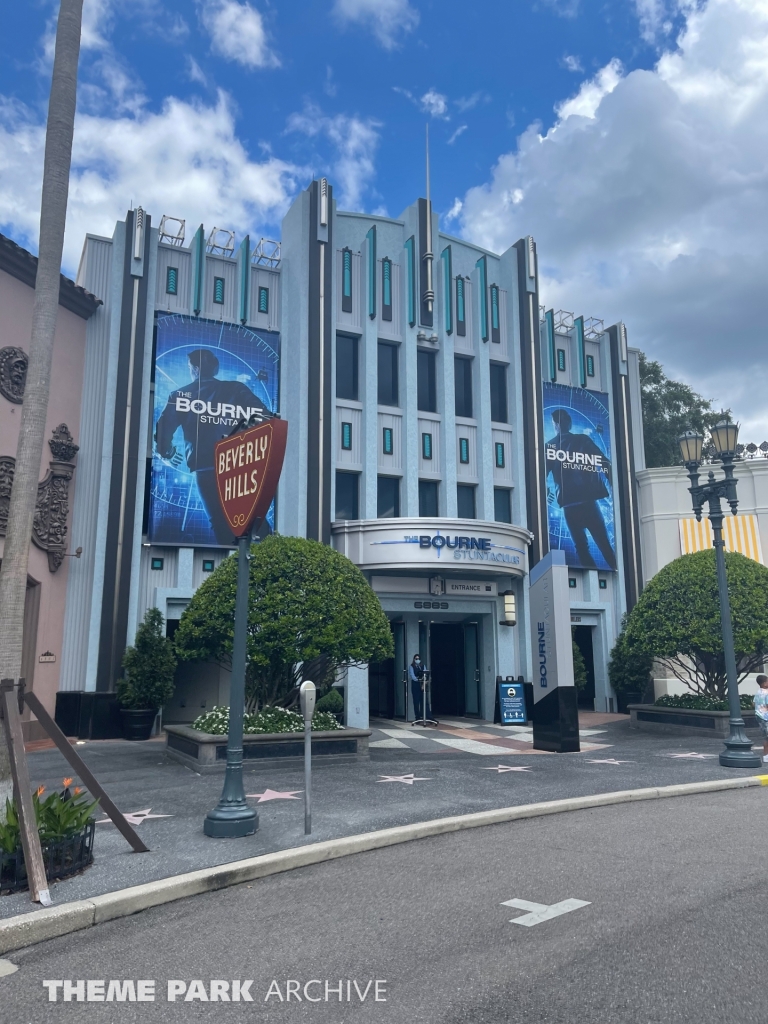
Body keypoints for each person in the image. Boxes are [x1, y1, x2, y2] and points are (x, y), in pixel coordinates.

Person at [155, 348, 267, 544]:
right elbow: (263, 417)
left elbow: (163, 431)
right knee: (253, 520)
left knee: (220, 523)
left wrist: (169, 452)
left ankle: (232, 567)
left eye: (190, 368)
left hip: (206, 467)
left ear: (196, 369)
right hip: (238, 465)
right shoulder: (236, 389)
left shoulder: (181, 395)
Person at [545, 408, 617, 570]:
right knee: (603, 544)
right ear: (566, 422)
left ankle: (593, 580)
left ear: (556, 424)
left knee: (582, 548)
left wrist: (546, 492)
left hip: (571, 505)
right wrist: (612, 485)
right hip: (587, 502)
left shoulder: (550, 447)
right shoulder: (582, 440)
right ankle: (613, 575)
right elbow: (605, 463)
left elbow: (541, 474)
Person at [409, 654, 437, 725]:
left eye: (418, 658)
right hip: (415, 685)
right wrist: (419, 680)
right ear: (414, 659)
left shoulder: (423, 666)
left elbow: (426, 674)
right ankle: (417, 718)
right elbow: (413, 677)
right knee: (416, 702)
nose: (417, 660)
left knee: (425, 702)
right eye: (416, 659)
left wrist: (423, 684)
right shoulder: (411, 666)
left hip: (423, 685)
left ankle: (429, 717)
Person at [753, 674, 768, 763]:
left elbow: (753, 703)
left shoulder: (758, 692)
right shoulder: (767, 693)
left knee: (765, 737)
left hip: (759, 716)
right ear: (764, 683)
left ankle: (766, 756)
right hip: (766, 717)